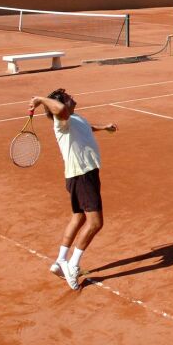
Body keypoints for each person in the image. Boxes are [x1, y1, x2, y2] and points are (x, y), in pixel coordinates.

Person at [29, 88, 117, 290]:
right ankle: (73, 265)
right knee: (96, 223)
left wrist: (104, 127)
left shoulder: (73, 117)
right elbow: (59, 110)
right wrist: (41, 99)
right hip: (82, 176)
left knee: (78, 217)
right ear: (62, 104)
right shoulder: (61, 120)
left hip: (81, 175)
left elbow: (85, 127)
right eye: (68, 98)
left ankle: (61, 260)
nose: (73, 98)